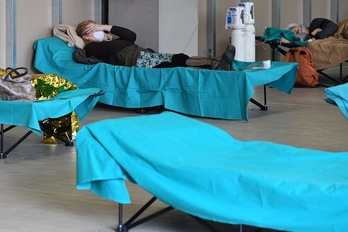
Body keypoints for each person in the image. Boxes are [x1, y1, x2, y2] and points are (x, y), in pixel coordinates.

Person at [75, 20, 235, 70]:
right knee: (173, 64)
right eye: (92, 29)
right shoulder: (91, 48)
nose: (97, 30)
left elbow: (131, 36)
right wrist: (120, 40)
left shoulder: (110, 40)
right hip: (138, 62)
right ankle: (216, 64)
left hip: (145, 55)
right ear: (85, 36)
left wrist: (104, 27)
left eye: (96, 27)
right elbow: (124, 43)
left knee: (180, 56)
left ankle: (217, 62)